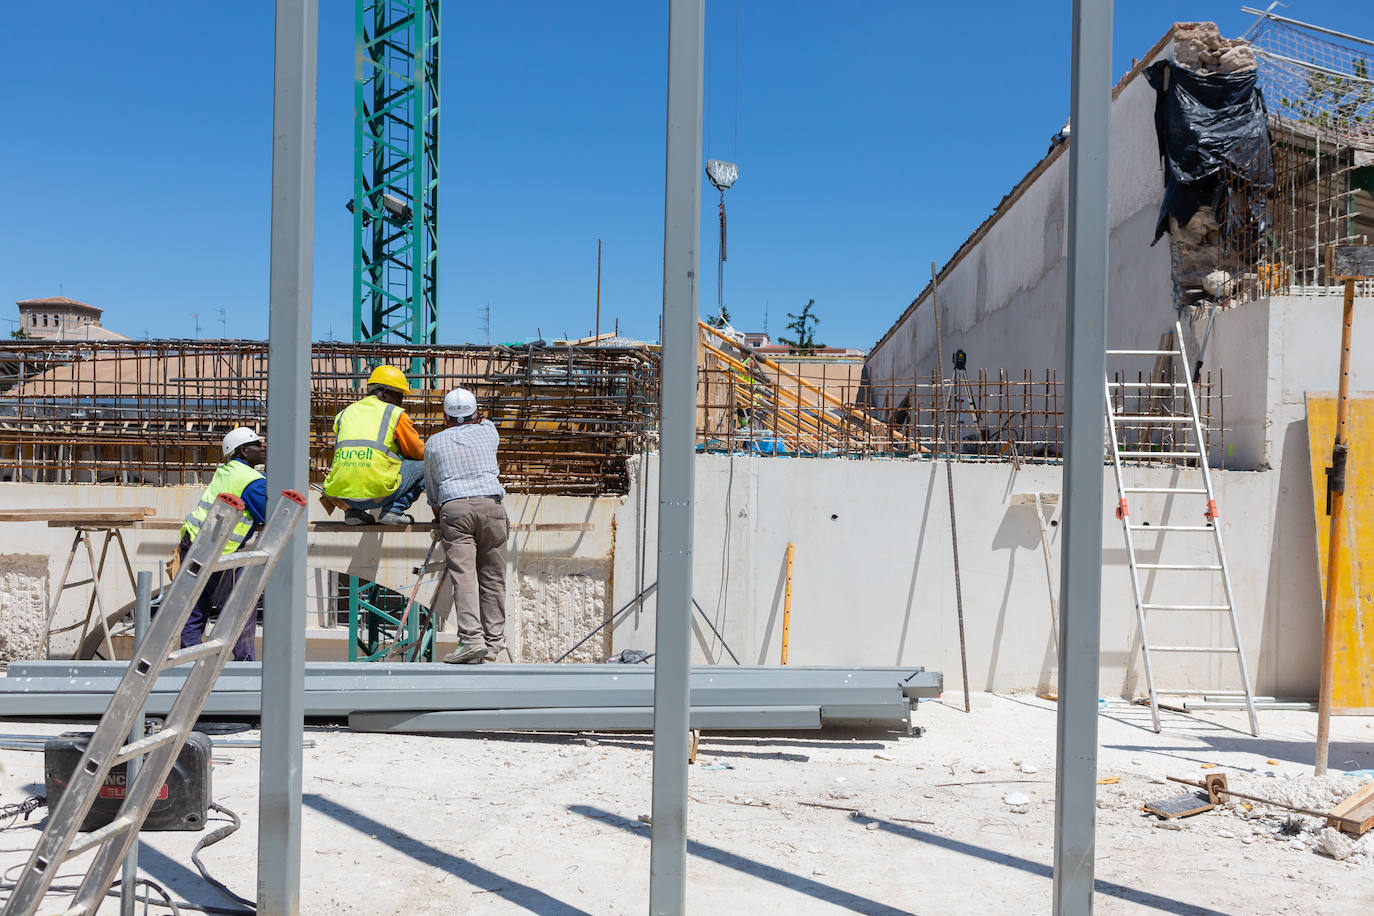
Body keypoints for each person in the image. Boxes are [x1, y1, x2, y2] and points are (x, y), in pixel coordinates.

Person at [424, 387, 508, 664]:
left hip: (454, 508)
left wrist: (441, 516)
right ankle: (494, 643)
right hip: (491, 506)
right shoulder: (489, 431)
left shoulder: (434, 443)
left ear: (445, 418)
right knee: (493, 577)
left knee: (464, 575)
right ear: (475, 414)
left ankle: (472, 640)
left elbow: (433, 490)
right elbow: (483, 421)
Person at [178, 427, 267, 661]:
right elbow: (269, 513)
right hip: (220, 552)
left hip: (193, 542)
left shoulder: (226, 471)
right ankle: (244, 664)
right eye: (257, 445)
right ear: (244, 451)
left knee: (197, 607)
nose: (262, 449)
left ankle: (189, 657)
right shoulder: (252, 481)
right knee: (240, 608)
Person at [323, 365, 426, 525]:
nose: (401, 401)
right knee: (427, 463)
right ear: (384, 393)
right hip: (378, 495)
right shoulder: (394, 413)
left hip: (342, 495)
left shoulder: (345, 413)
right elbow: (418, 453)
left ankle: (353, 513)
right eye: (399, 395)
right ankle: (395, 510)